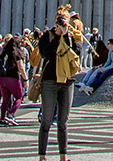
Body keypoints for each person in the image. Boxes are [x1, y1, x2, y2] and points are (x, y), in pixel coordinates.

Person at [36, 9, 81, 160]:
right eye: (59, 18)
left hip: (67, 80)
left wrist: (67, 35)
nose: (62, 21)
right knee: (46, 120)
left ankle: (63, 155)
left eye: (65, 19)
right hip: (50, 79)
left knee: (63, 121)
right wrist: (57, 36)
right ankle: (42, 156)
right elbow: (46, 53)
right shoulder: (47, 36)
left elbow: (77, 53)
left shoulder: (72, 36)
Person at [0, 34, 27, 126]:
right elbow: (20, 67)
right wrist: (25, 79)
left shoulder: (4, 51)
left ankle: (2, 119)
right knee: (19, 97)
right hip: (13, 76)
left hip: (2, 77)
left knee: (6, 98)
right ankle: (11, 114)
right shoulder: (16, 52)